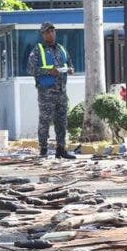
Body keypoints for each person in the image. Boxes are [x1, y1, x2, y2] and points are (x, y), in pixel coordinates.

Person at [26, 22, 76, 159]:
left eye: (53, 31)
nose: (51, 34)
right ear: (42, 34)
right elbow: (30, 69)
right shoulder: (38, 49)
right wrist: (49, 71)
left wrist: (70, 70)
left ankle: (61, 149)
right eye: (47, 32)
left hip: (61, 91)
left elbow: (70, 64)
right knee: (45, 121)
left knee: (62, 121)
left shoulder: (61, 49)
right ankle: (43, 150)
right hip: (46, 92)